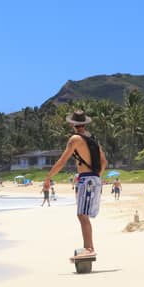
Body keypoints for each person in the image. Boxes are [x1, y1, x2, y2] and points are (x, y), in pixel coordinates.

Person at [44, 110, 108, 258]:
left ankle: (89, 248)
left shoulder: (75, 139)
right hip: (94, 179)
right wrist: (97, 176)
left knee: (82, 215)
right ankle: (88, 248)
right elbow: (104, 161)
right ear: (84, 123)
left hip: (86, 179)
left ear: (73, 124)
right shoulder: (93, 139)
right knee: (83, 215)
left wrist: (48, 177)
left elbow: (61, 162)